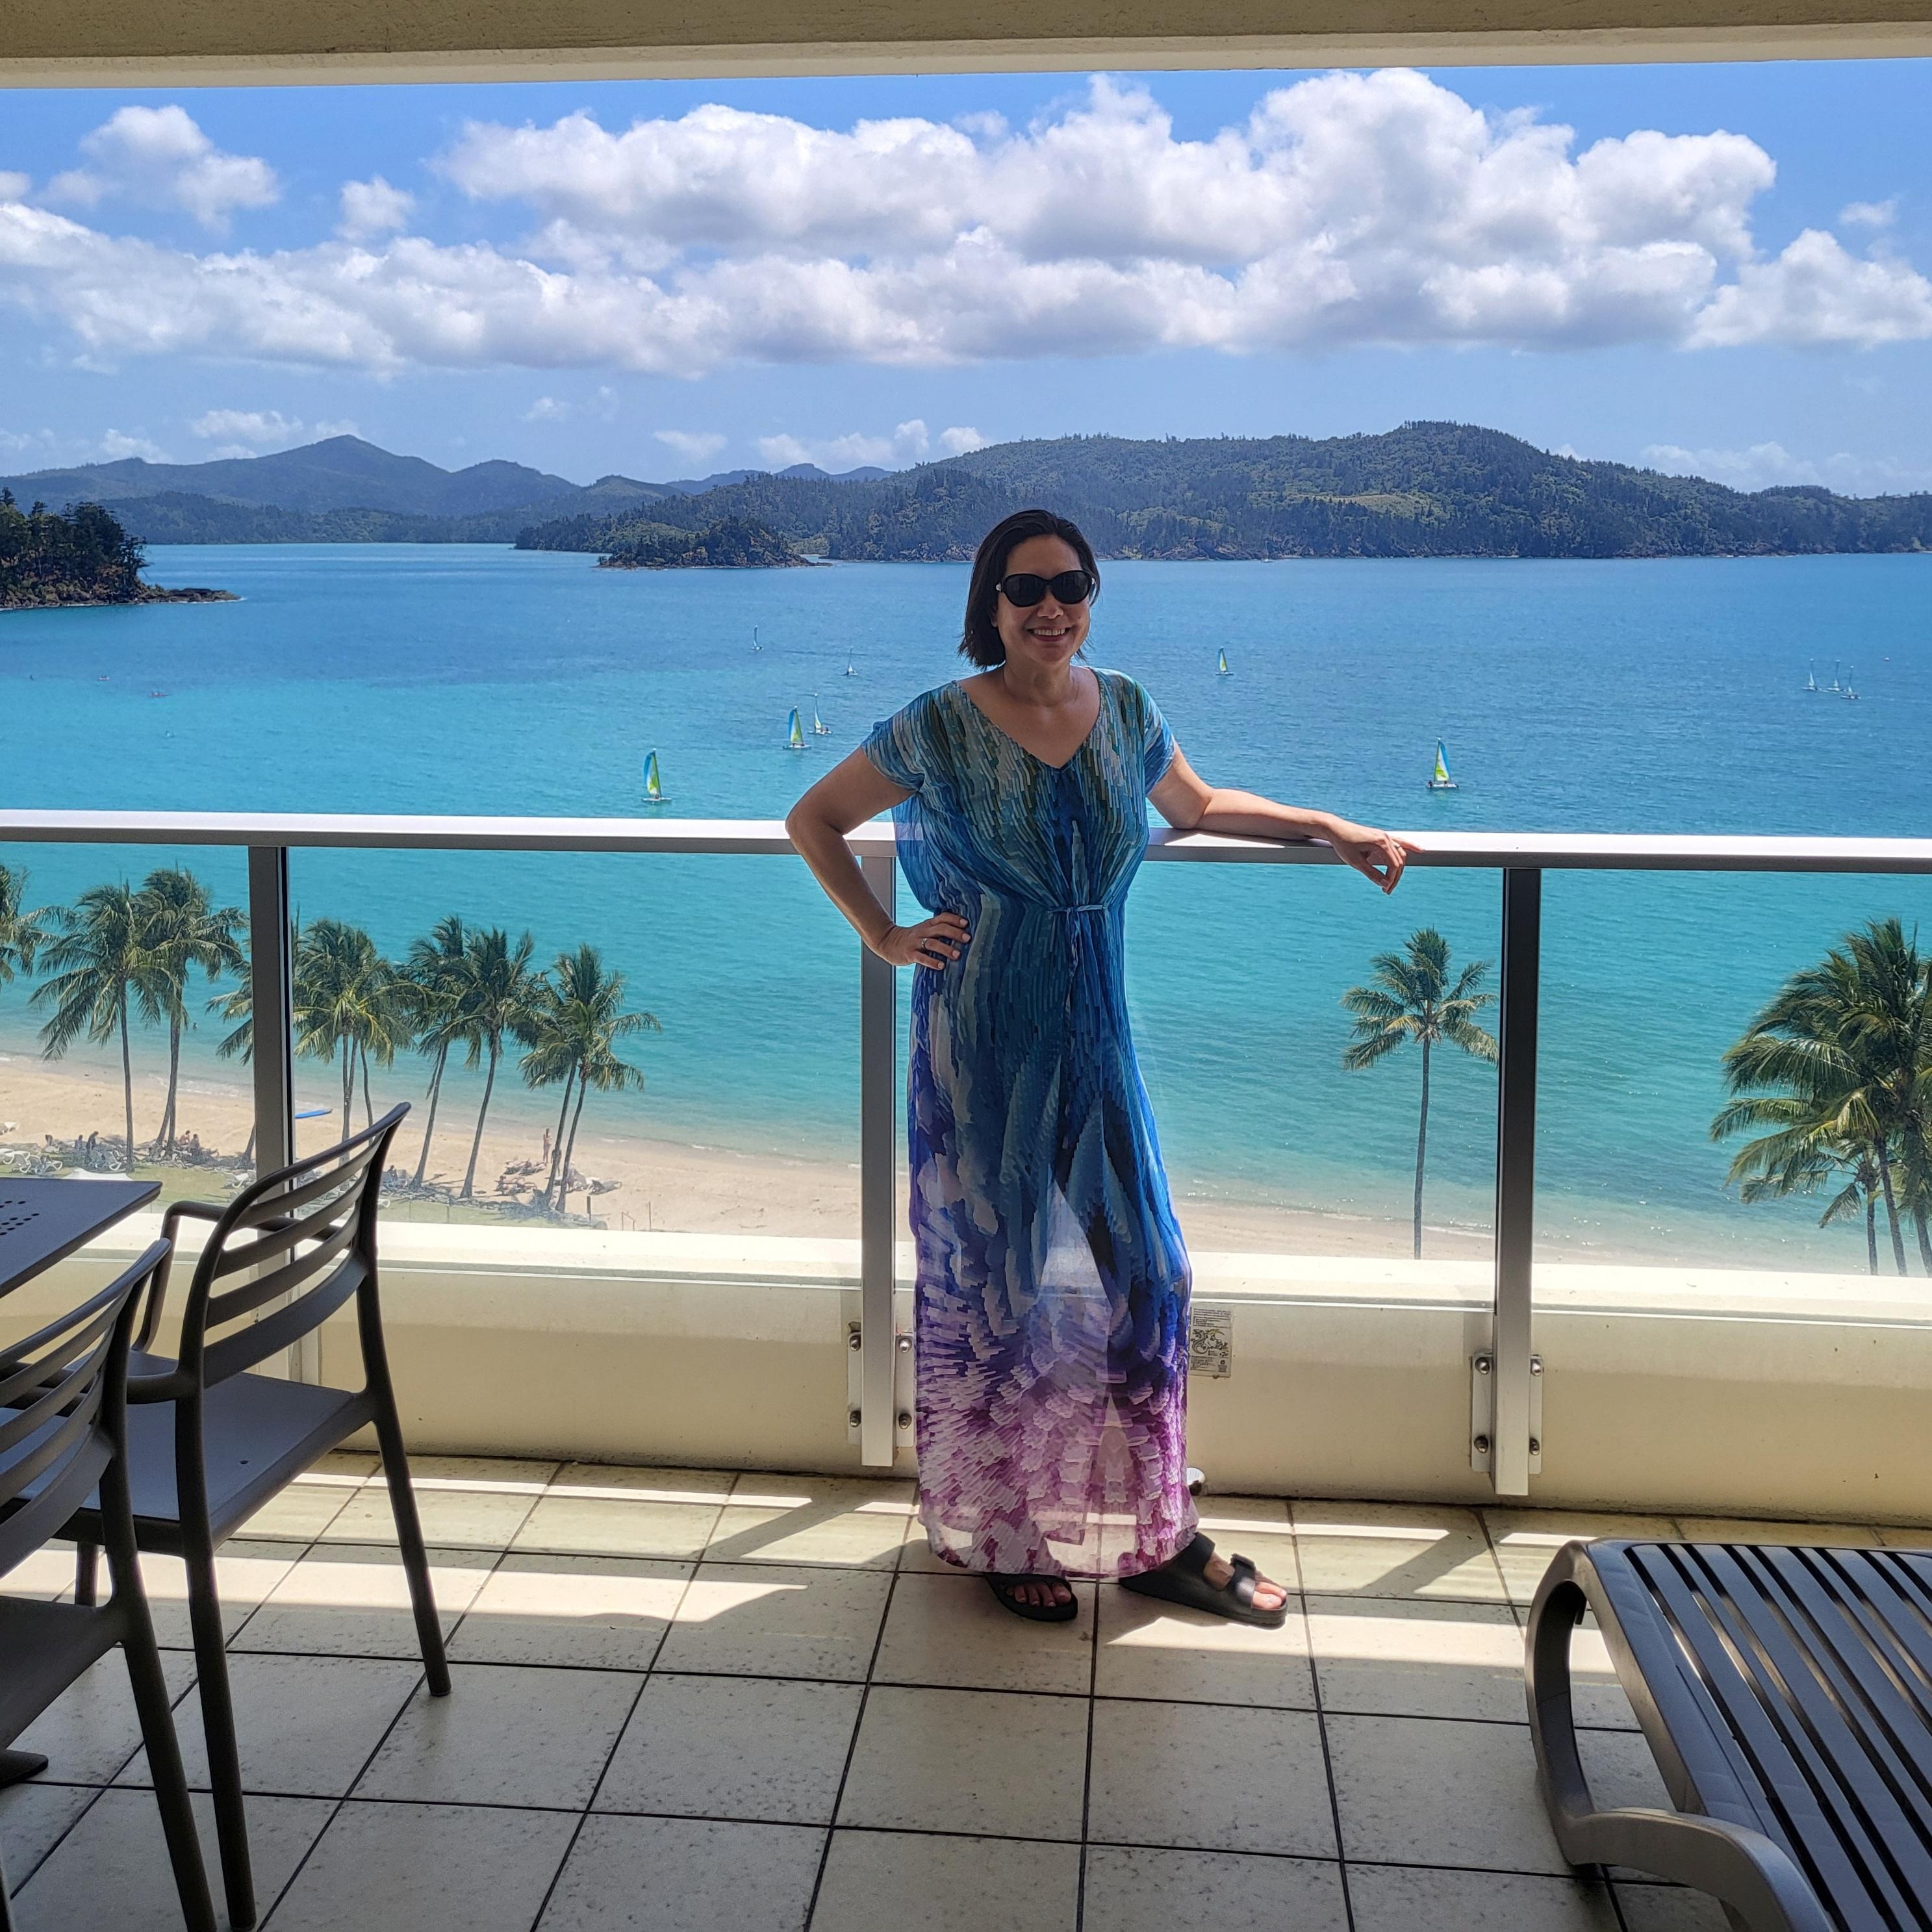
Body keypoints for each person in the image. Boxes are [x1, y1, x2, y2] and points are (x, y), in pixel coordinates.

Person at [786, 509, 1414, 1622]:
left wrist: (1328, 823)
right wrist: (882, 934)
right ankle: (1006, 1529)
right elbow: (815, 818)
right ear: (989, 605)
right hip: (981, 1037)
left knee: (1147, 1273)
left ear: (1091, 596)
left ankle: (1152, 1532)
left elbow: (1198, 805)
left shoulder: (1123, 707)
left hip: (1094, 1032)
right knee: (1002, 1285)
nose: (1050, 607)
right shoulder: (938, 724)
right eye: (1025, 588)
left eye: (1069, 585)